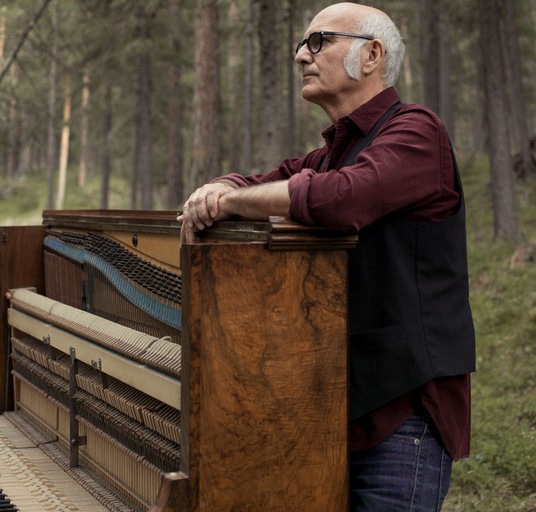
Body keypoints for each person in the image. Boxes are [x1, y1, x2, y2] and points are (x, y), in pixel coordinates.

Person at [177, 2, 476, 511]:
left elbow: (342, 198)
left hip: (404, 415)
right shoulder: (331, 153)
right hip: (331, 406)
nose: (301, 56)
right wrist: (219, 187)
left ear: (372, 55)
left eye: (318, 42)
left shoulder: (417, 131)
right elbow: (270, 180)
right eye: (301, 44)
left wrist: (228, 202)